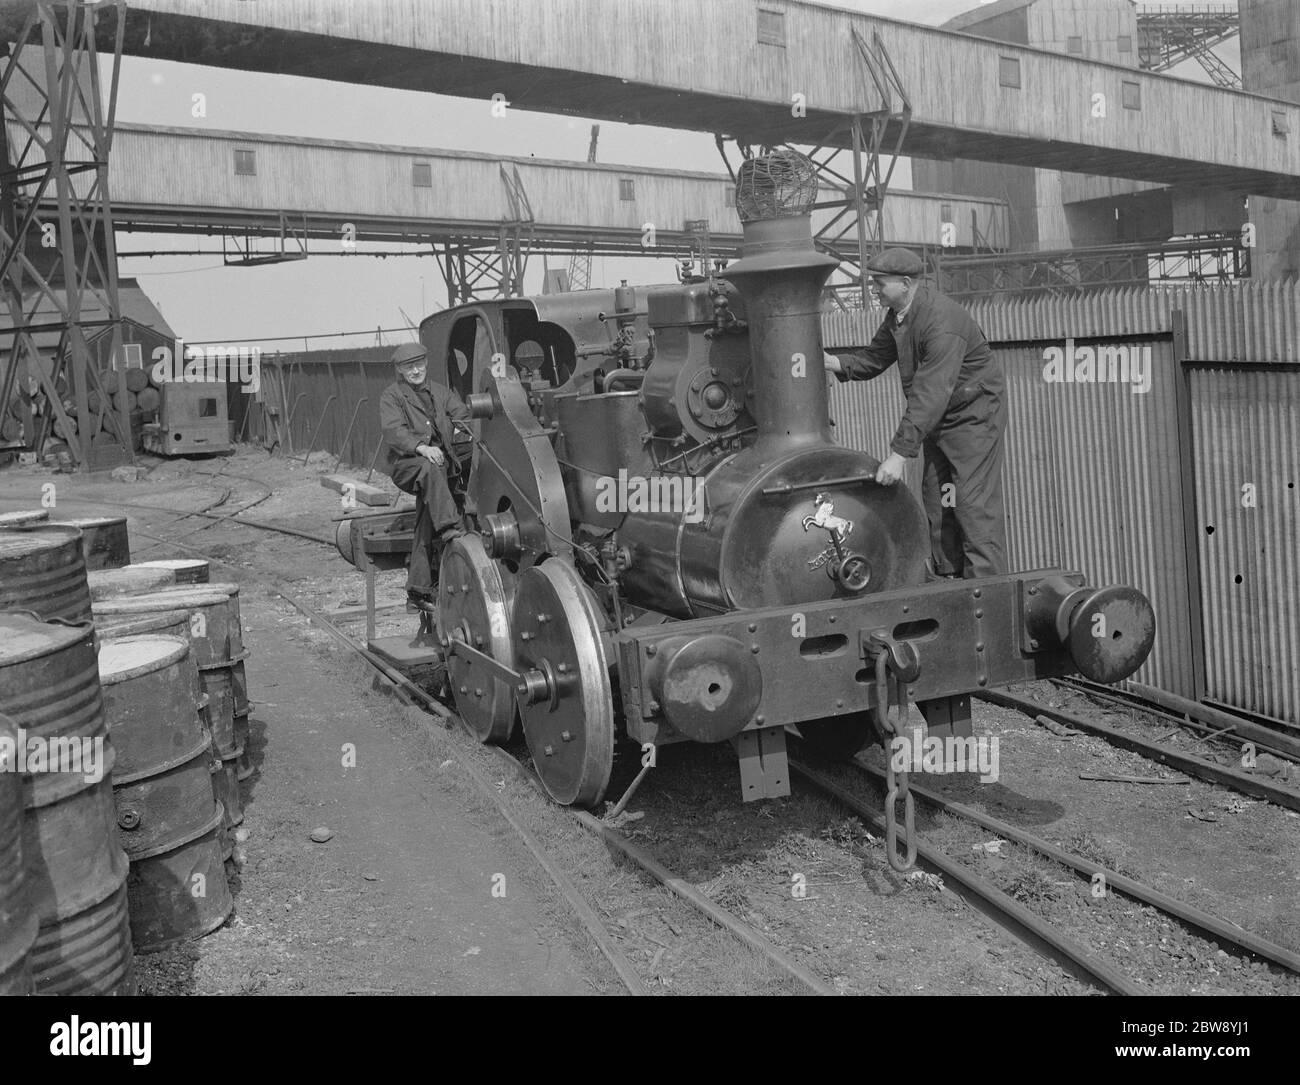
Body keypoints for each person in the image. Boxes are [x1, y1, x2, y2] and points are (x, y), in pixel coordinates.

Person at [824, 248, 1007, 579]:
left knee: (972, 503)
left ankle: (987, 589)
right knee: (939, 497)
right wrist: (830, 362)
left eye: (880, 284)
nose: (875, 290)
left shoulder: (941, 321)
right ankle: (951, 578)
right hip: (940, 418)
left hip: (971, 417)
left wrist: (898, 455)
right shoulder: (900, 316)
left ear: (905, 283)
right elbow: (873, 359)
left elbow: (931, 393)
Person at [379, 342, 472, 604]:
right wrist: (421, 448)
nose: (416, 370)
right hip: (408, 464)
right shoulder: (392, 396)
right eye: (409, 367)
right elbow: (394, 432)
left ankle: (418, 587)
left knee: (427, 510)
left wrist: (476, 431)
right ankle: (452, 528)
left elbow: (463, 416)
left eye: (419, 364)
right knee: (430, 469)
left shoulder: (441, 393)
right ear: (400, 370)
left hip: (439, 465)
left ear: (426, 364)